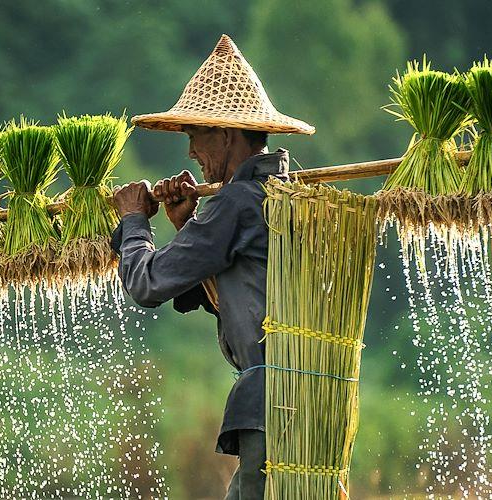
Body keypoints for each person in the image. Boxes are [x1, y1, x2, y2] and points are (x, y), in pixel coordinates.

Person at [111, 34, 317, 500]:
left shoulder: (237, 204)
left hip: (273, 403)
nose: (190, 153)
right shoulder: (281, 198)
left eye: (195, 136)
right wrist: (187, 224)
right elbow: (238, 292)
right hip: (305, 400)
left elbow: (147, 283)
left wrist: (134, 221)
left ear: (225, 134)